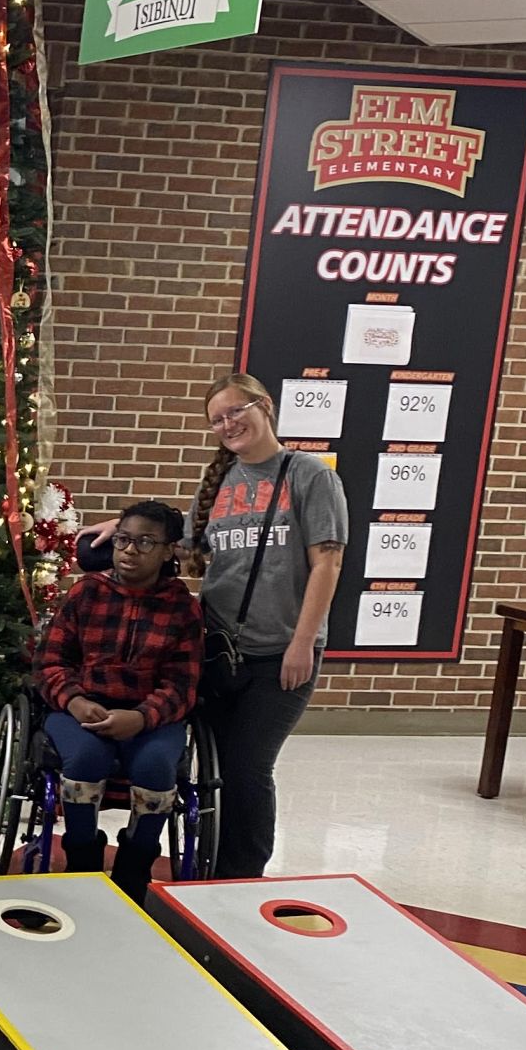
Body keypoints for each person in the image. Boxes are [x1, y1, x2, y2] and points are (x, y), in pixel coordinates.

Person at [188, 372, 346, 877]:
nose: (228, 424)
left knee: (249, 768)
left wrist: (302, 644)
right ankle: (210, 861)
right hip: (218, 649)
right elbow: (190, 550)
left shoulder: (308, 475)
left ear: (265, 407)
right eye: (217, 419)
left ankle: (241, 876)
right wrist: (122, 529)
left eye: (236, 411)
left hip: (280, 652)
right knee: (214, 769)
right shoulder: (219, 481)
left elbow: (328, 563)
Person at [35, 500, 200, 899]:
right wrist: (74, 701)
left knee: (158, 767)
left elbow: (182, 686)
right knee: (86, 758)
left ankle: (134, 866)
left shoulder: (182, 609)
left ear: (168, 551)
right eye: (124, 540)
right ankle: (82, 858)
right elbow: (50, 662)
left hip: (148, 718)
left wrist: (141, 718)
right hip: (78, 710)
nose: (129, 551)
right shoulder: (86, 594)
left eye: (145, 543)